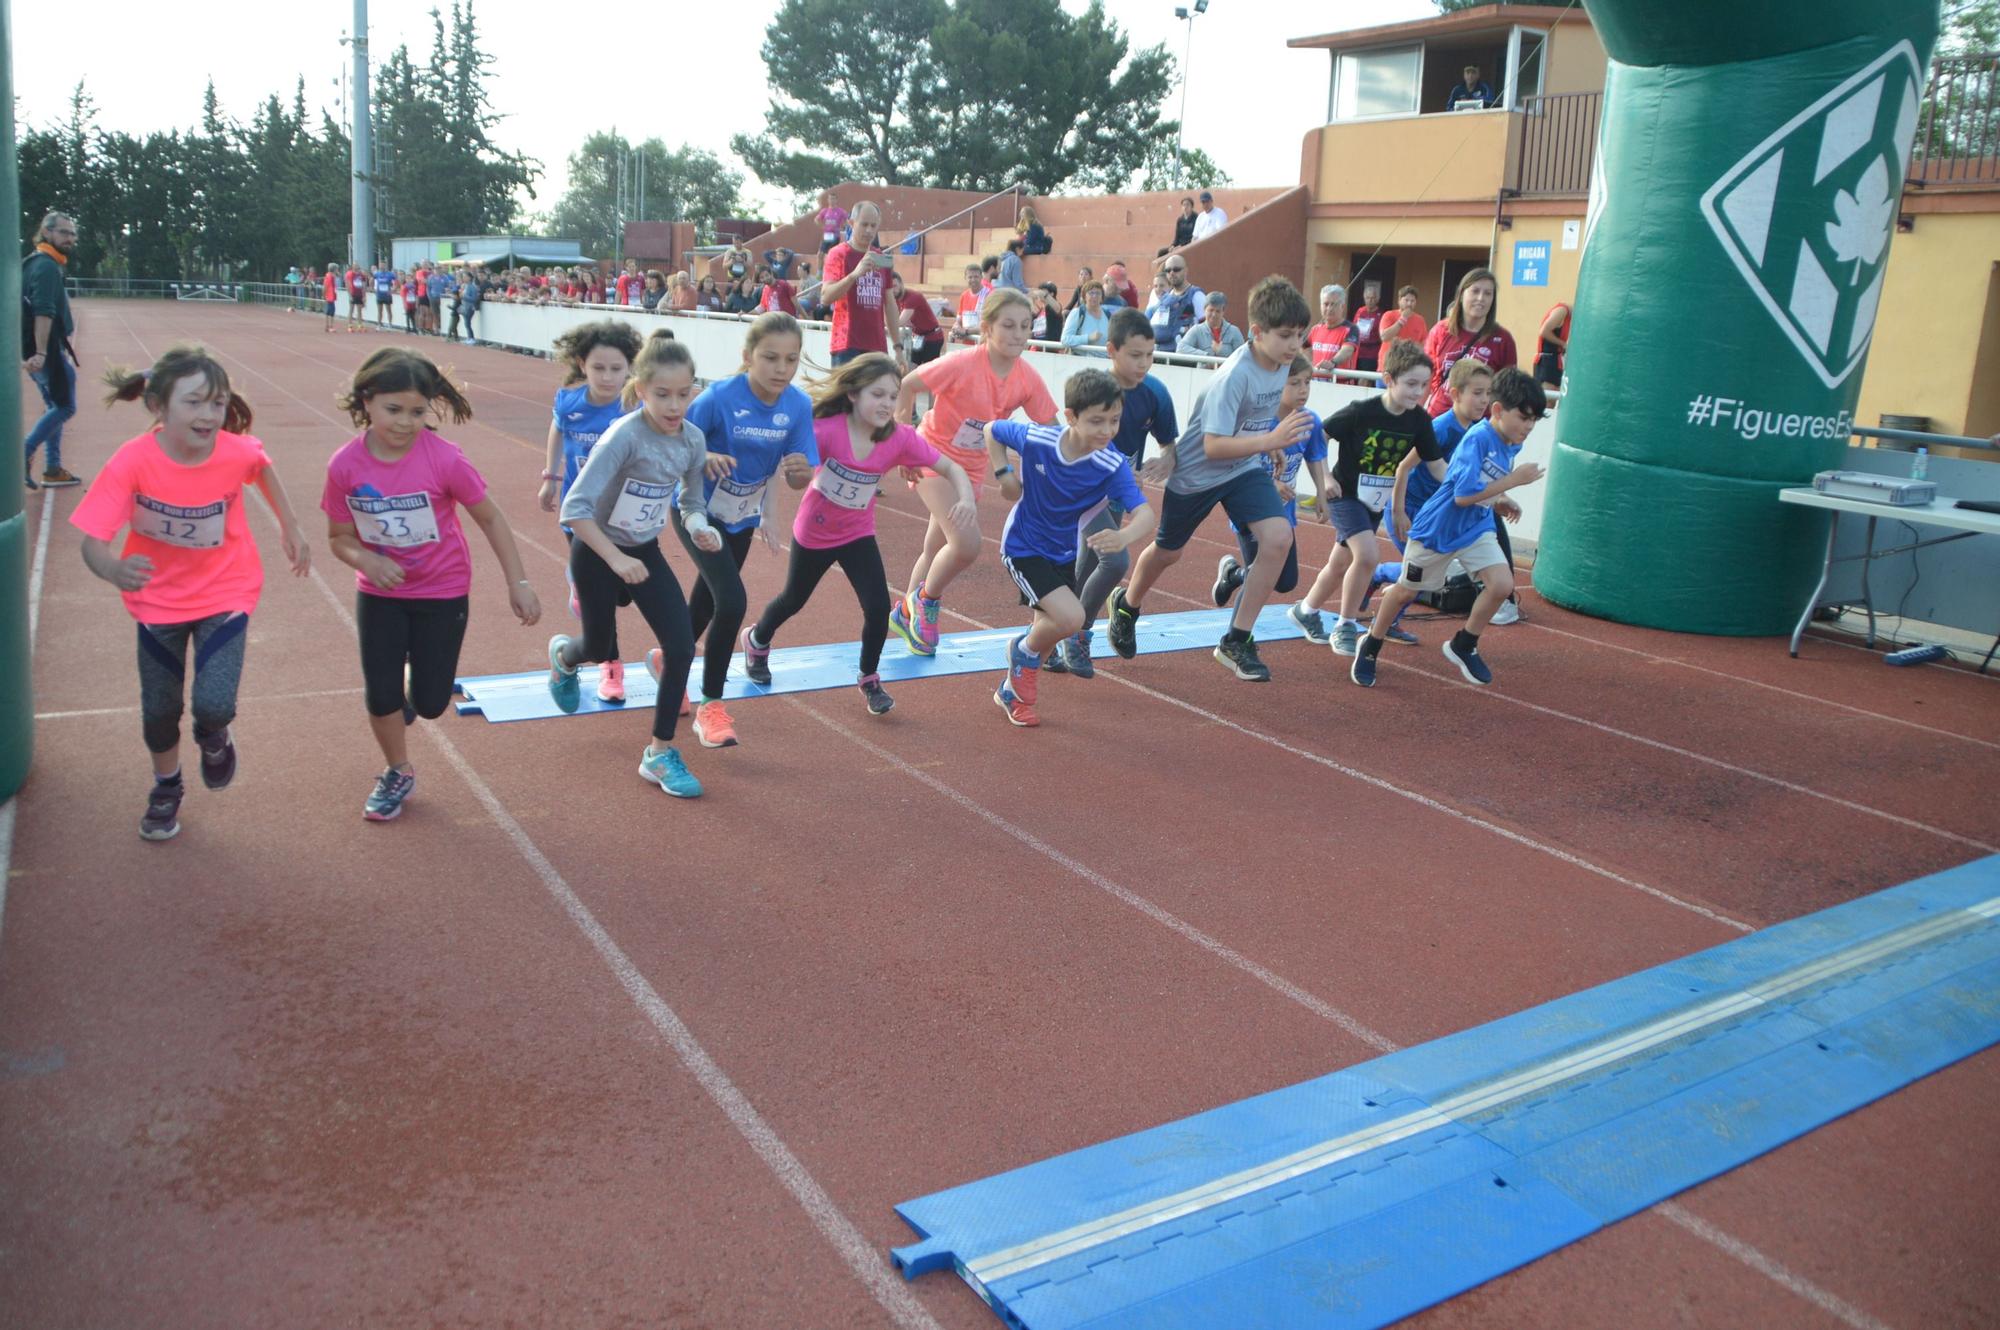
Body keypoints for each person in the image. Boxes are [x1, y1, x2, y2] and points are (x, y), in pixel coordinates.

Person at [72, 347, 312, 839]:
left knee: (214, 703)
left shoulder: (233, 451)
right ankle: (166, 785)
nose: (209, 415)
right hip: (157, 601)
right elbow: (92, 542)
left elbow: (261, 464)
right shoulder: (132, 461)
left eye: (218, 403)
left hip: (226, 591)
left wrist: (290, 525)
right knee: (160, 710)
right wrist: (113, 569)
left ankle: (213, 735)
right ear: (158, 406)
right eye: (194, 402)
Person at [323, 348, 540, 821]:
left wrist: (518, 581)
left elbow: (491, 518)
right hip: (380, 595)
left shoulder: (444, 460)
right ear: (367, 401)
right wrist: (366, 559)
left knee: (431, 702)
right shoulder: (345, 466)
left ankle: (412, 682)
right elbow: (338, 538)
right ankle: (397, 770)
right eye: (393, 409)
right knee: (380, 694)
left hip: (442, 593)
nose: (405, 422)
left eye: (417, 412)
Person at [1107, 275, 1314, 683]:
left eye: (1300, 335)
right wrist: (1270, 440)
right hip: (1198, 474)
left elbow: (1258, 414)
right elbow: (1214, 445)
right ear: (1257, 332)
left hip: (1242, 469)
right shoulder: (1234, 376)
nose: (1294, 345)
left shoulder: (1282, 363)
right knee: (1168, 553)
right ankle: (1127, 605)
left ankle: (1237, 639)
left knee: (1278, 538)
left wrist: (1267, 440)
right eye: (1286, 335)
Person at [744, 354, 976, 716]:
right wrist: (772, 508)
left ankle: (869, 677)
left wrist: (966, 499)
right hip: (815, 533)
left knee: (879, 607)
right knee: (793, 599)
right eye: (877, 394)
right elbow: (785, 471)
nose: (886, 404)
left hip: (857, 534)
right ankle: (757, 639)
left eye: (893, 396)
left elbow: (950, 467)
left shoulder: (900, 438)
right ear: (853, 394)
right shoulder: (826, 431)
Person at [549, 331, 723, 799]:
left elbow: (690, 501)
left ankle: (659, 753)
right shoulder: (623, 437)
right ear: (641, 390)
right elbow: (574, 510)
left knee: (681, 646)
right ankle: (564, 658)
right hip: (597, 550)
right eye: (662, 394)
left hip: (643, 550)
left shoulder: (693, 440)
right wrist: (615, 558)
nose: (674, 405)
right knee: (597, 646)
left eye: (683, 394)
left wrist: (700, 526)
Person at [1351, 367, 1546, 689]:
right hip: (1438, 530)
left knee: (1501, 585)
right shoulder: (1477, 439)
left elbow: (1481, 485)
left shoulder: (1511, 442)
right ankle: (1371, 643)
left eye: (1534, 420)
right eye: (1524, 418)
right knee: (1407, 591)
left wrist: (1500, 498)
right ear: (1499, 411)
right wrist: (1513, 481)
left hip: (1475, 528)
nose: (1529, 427)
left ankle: (1464, 644)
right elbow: (1462, 495)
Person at [985, 370, 1157, 728]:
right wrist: (1004, 475)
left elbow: (1145, 515)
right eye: (1097, 421)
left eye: (1114, 420)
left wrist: (1123, 537)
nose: (1107, 430)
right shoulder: (1039, 439)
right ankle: (1021, 652)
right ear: (1071, 417)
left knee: (1049, 631)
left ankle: (1011, 693)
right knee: (1071, 619)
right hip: (1022, 546)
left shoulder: (1111, 464)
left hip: (1063, 553)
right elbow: (992, 430)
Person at [891, 288, 1057, 656]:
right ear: (987, 328)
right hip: (932, 455)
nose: (1018, 334)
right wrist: (903, 440)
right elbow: (908, 385)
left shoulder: (1027, 378)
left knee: (936, 548)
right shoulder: (962, 363)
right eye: (1008, 325)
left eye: (1025, 326)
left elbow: (1051, 428)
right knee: (966, 545)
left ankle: (904, 613)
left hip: (971, 467)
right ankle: (926, 601)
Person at [680, 312, 819, 748]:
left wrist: (800, 473)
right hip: (696, 508)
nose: (782, 368)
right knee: (732, 600)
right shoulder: (717, 399)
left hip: (740, 515)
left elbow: (799, 476)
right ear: (748, 356)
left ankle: (672, 658)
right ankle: (710, 707)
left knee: (707, 601)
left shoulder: (797, 406)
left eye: (791, 359)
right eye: (770, 357)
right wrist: (704, 458)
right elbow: (675, 448)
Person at [1045, 307, 1178, 677]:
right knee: (1115, 561)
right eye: (1135, 355)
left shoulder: (1155, 393)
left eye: (1150, 355)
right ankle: (1077, 633)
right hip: (1080, 488)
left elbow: (1169, 445)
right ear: (1111, 351)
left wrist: (1167, 460)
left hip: (1117, 494)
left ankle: (1045, 634)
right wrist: (1115, 470)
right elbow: (1072, 444)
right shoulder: (1095, 391)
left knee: (1086, 566)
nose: (1144, 363)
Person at [1292, 338, 1442, 655]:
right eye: (1411, 384)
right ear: (1389, 379)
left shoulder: (1420, 421)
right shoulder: (1362, 412)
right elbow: (1319, 437)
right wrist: (1325, 479)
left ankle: (1305, 610)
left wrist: (1469, 488)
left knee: (1340, 563)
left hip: (1374, 500)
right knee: (1368, 556)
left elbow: (1437, 465)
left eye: (1424, 385)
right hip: (1344, 493)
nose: (1418, 392)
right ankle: (1346, 625)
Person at [538, 320, 643, 702]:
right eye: (599, 368)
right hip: (580, 514)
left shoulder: (635, 406)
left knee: (623, 594)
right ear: (582, 364)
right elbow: (558, 430)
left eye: (617, 368)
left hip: (622, 513)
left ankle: (579, 579)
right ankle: (611, 667)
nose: (608, 377)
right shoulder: (570, 402)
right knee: (600, 597)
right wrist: (551, 476)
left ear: (630, 368)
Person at [1371, 356, 1493, 644]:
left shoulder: (1475, 431)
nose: (1484, 400)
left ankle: (1383, 595)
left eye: (1488, 393)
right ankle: (1379, 582)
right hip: (1411, 508)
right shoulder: (1441, 428)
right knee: (1417, 576)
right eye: (1477, 393)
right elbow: (1403, 467)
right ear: (1456, 394)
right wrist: (1398, 511)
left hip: (1434, 513)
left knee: (1423, 576)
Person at [1211, 353, 1328, 613]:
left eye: (1307, 382)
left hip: (1282, 511)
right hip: (1250, 508)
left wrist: (1321, 493)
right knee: (1259, 577)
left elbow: (1315, 456)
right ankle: (1238, 632)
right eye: (1294, 383)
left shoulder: (1310, 421)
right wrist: (1269, 485)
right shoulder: (1259, 422)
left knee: (1286, 582)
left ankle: (1233, 574)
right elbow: (1237, 460)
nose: (1303, 390)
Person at [22, 211, 83, 488]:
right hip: (44, 351)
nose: (70, 238)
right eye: (63, 232)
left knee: (54, 405)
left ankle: (53, 469)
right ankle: (24, 452)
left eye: (72, 234)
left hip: (38, 348)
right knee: (65, 406)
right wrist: (42, 352)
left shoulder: (34, 262)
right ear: (46, 232)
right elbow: (43, 310)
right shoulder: (46, 266)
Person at [1423, 267, 1517, 415]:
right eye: (1475, 291)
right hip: (1440, 417)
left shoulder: (1504, 339)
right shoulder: (1440, 331)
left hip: (1480, 421)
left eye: (1488, 293)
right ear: (1461, 295)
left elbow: (1507, 390)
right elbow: (1425, 377)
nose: (1481, 298)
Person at [821, 201, 900, 367]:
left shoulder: (880, 258)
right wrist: (854, 275)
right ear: (851, 223)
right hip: (846, 345)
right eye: (864, 224)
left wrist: (898, 347)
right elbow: (825, 297)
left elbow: (890, 303)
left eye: (873, 225)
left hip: (877, 347)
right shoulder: (838, 254)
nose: (869, 230)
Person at [892, 271, 945, 365]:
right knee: (912, 366)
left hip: (932, 338)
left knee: (928, 370)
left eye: (894, 286)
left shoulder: (912, 297)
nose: (892, 290)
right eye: (889, 287)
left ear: (901, 284)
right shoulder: (895, 298)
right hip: (917, 337)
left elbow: (899, 322)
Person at [1154, 256, 1206, 347]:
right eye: (1168, 270)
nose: (1172, 273)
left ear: (1186, 271)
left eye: (1176, 269)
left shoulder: (1196, 295)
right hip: (1162, 351)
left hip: (1185, 352)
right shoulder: (1166, 297)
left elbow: (1206, 328)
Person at [1176, 290, 1245, 357]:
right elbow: (1180, 348)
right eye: (1211, 310)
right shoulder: (1197, 330)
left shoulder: (1234, 331)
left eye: (1218, 311)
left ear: (1223, 312)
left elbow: (1242, 356)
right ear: (1204, 310)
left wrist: (1221, 351)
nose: (1214, 315)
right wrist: (1205, 356)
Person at [1307, 284, 1355, 378]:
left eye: (1334, 304)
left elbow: (1347, 350)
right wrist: (1307, 363)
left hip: (1339, 383)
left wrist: (1332, 362)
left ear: (1342, 306)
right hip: (1315, 382)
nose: (1329, 308)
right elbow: (1303, 347)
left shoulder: (1351, 329)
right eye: (1326, 304)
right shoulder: (1315, 329)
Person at [1062, 281, 1110, 355]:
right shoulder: (1077, 313)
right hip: (1083, 360)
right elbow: (1065, 339)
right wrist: (1088, 338)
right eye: (1091, 293)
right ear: (1084, 296)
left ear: (1102, 297)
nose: (1094, 296)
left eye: (1098, 293)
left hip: (1105, 360)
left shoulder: (1107, 314)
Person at [1379, 284, 1428, 356]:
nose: (1409, 304)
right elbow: (1384, 337)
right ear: (1399, 300)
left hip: (1410, 360)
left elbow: (1424, 343)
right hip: (1390, 360)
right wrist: (1402, 320)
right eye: (1406, 300)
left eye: (1412, 301)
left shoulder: (1420, 320)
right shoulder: (1389, 315)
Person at [1350, 280, 1386, 373]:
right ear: (1364, 298)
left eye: (1373, 298)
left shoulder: (1381, 314)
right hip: (1358, 351)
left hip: (1372, 353)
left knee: (1365, 378)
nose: (1370, 300)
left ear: (1377, 299)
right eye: (1368, 298)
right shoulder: (1360, 311)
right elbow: (1354, 327)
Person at [1535, 300, 1572, 388]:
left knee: (1556, 393)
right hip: (1547, 361)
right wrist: (1563, 344)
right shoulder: (1562, 311)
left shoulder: (1568, 317)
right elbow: (1544, 331)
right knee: (1548, 393)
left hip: (1556, 360)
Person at [954, 264, 985, 341]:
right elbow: (958, 320)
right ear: (965, 278)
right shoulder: (964, 296)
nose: (973, 280)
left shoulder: (989, 294)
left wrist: (966, 331)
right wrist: (956, 327)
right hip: (967, 342)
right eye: (970, 277)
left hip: (983, 343)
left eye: (976, 277)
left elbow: (988, 325)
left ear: (981, 277)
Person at [456, 273, 483, 344]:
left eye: (465, 277)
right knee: (466, 324)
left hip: (470, 308)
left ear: (470, 278)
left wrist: (464, 296)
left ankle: (471, 338)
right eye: (463, 277)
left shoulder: (472, 287)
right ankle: (469, 338)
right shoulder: (466, 286)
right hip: (465, 307)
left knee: (467, 323)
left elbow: (474, 299)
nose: (464, 278)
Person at [373, 261, 395, 327]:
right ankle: (379, 324)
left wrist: (392, 290)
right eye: (381, 265)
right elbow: (372, 280)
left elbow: (396, 283)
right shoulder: (377, 274)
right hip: (379, 295)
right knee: (380, 311)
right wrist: (373, 289)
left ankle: (390, 324)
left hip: (387, 295)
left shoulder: (390, 274)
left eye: (383, 265)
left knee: (389, 310)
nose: (382, 267)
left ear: (385, 266)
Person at [346, 265, 368, 330]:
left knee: (359, 310)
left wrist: (364, 296)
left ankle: (359, 324)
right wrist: (350, 295)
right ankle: (350, 325)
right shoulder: (350, 274)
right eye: (356, 268)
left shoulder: (362, 275)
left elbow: (364, 286)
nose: (357, 269)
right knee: (351, 309)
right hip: (353, 294)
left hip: (359, 294)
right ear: (353, 268)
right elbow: (348, 285)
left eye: (358, 268)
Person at [323, 264, 341, 333]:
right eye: (336, 269)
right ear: (334, 270)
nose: (337, 271)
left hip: (330, 295)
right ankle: (330, 326)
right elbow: (325, 286)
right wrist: (324, 294)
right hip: (330, 296)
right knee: (331, 311)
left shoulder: (329, 276)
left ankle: (327, 326)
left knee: (329, 311)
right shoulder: (330, 277)